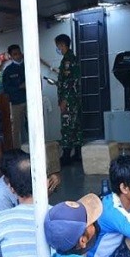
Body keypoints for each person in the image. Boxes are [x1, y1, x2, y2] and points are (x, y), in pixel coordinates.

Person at [54, 34, 82, 165]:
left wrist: (64, 99)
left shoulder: (68, 60)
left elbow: (70, 82)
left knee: (67, 126)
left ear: (62, 45)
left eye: (58, 46)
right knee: (75, 126)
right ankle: (77, 154)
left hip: (69, 99)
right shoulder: (71, 58)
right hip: (74, 99)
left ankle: (65, 156)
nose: (58, 48)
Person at [2, 44, 26, 148]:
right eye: (15, 54)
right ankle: (17, 151)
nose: (18, 56)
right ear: (11, 56)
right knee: (16, 128)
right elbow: (6, 88)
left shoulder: (28, 65)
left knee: (33, 126)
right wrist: (19, 87)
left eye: (19, 53)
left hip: (30, 101)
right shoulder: (8, 71)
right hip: (16, 102)